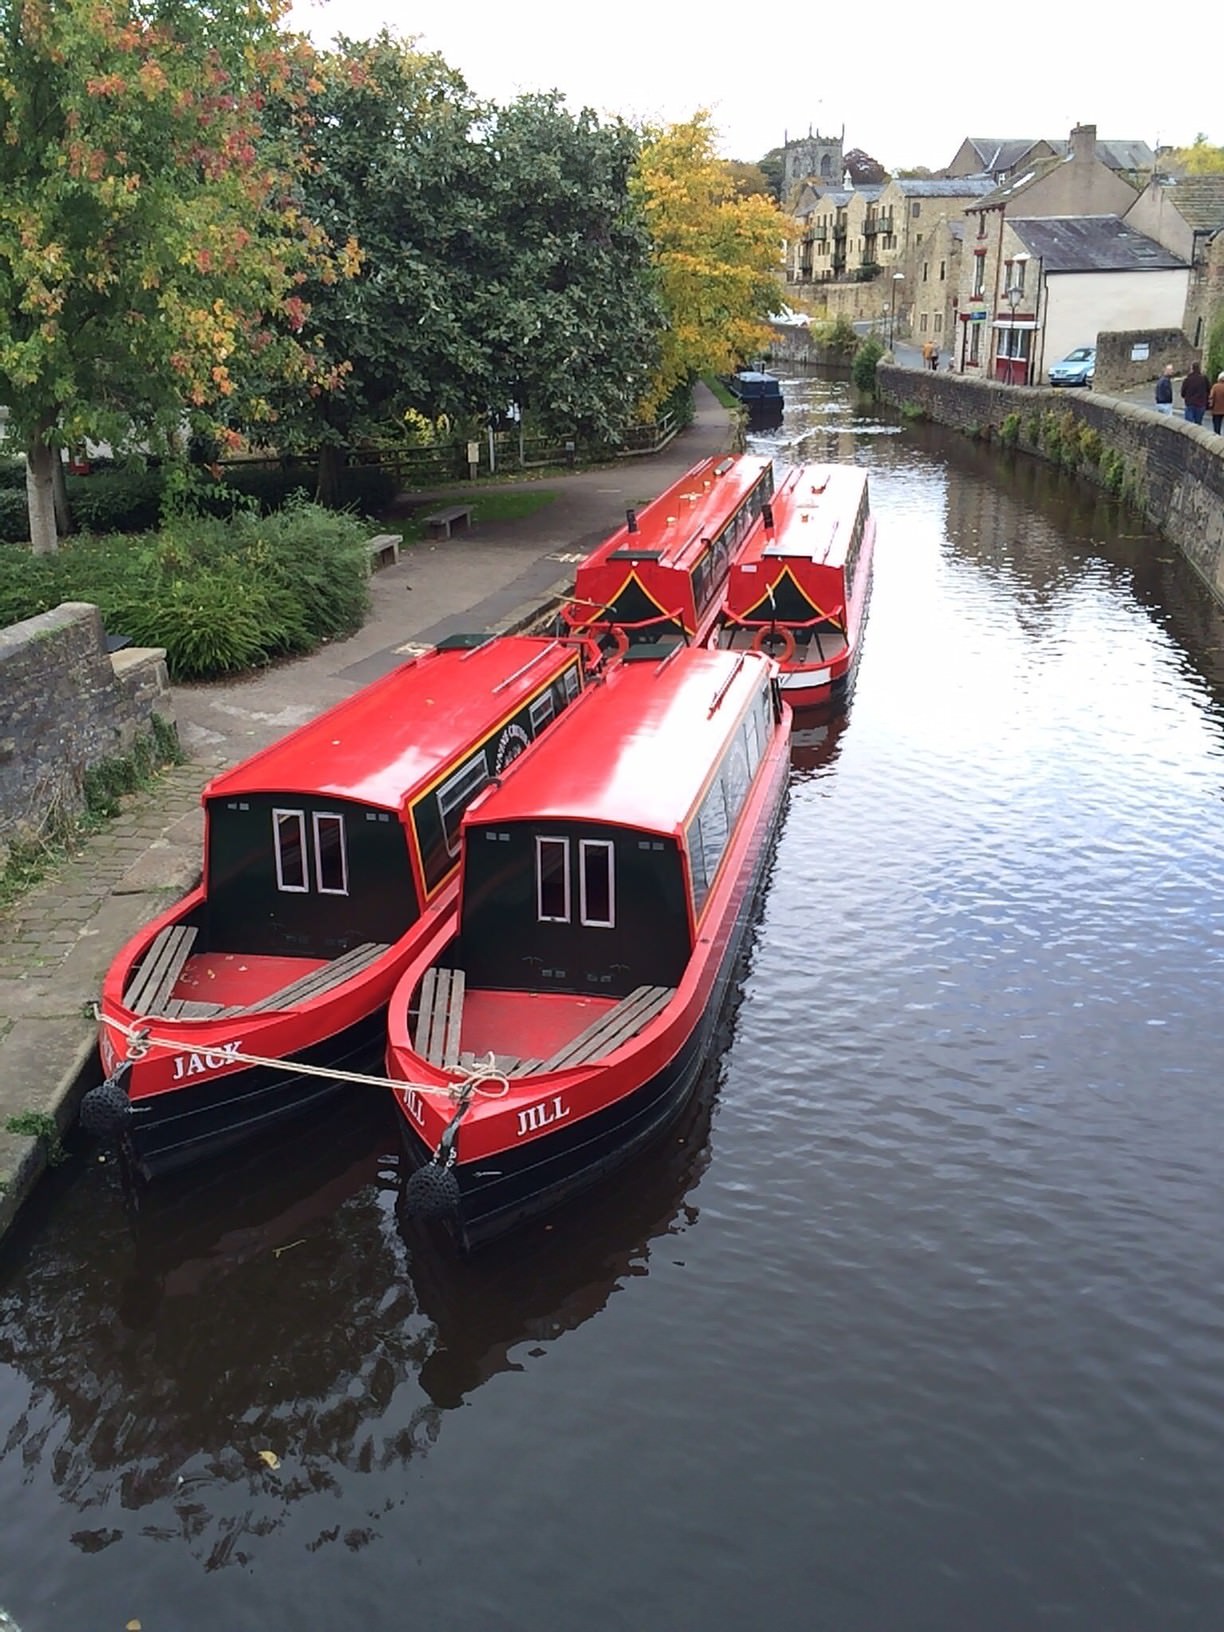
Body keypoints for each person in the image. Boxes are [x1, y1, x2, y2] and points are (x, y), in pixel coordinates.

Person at [1209, 371, 1224, 436]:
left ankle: (1217, 437)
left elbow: (1211, 397)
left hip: (1216, 410)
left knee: (1217, 427)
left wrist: (1210, 406)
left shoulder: (1215, 387)